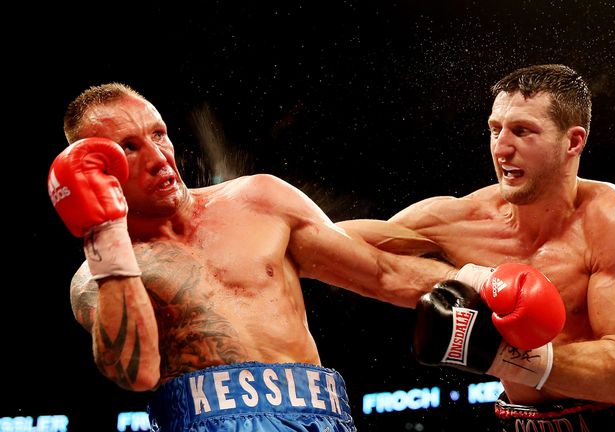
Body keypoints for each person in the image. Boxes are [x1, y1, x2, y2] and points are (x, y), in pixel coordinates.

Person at [47, 83, 564, 432]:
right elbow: (131, 371)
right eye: (129, 148)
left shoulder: (258, 199)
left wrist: (483, 281)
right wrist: (105, 234)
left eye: (159, 133)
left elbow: (380, 272)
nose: (159, 156)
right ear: (98, 172)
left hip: (319, 413)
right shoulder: (97, 276)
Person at [338, 64, 615, 431]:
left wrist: (497, 353)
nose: (501, 148)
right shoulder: (456, 218)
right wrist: (461, 278)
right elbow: (326, 243)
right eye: (494, 130)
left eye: (522, 131)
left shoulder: (612, 217)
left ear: (573, 141)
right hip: (520, 423)